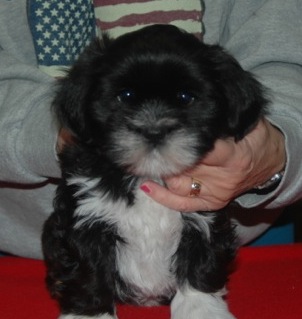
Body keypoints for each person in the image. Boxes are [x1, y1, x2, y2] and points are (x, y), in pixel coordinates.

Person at [0, 0, 301, 259]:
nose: (154, 127)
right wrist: (50, 130)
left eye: (185, 98)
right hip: (35, 254)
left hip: (238, 244)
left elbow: (287, 55)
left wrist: (276, 148)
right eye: (126, 98)